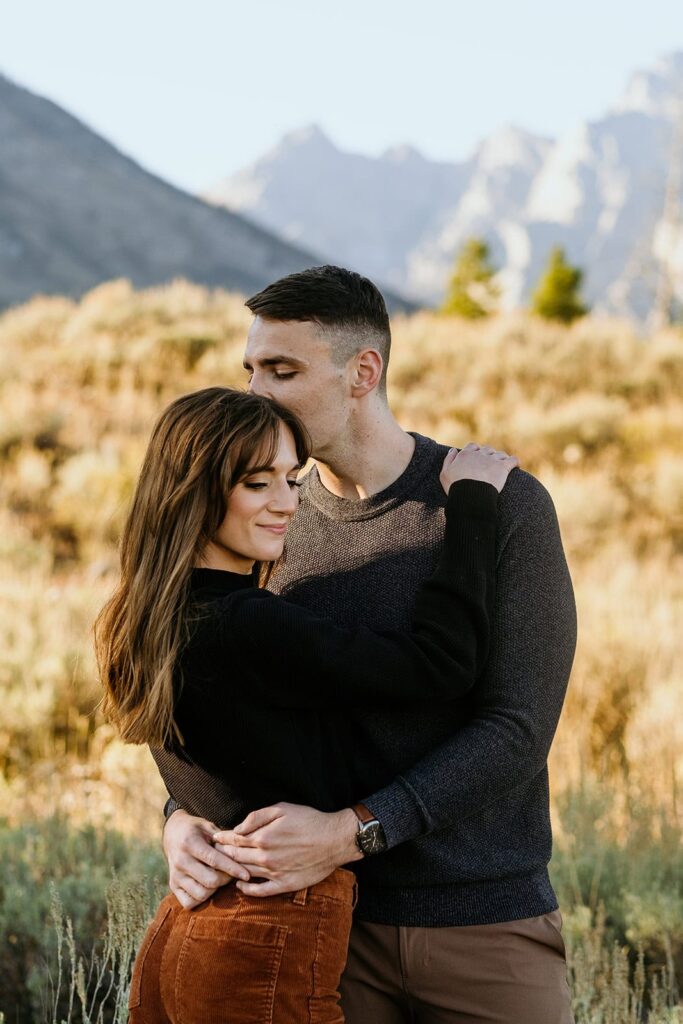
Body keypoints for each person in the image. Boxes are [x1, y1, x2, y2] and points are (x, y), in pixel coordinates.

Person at [159, 266, 578, 1023]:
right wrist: (179, 821)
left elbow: (517, 727)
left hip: (479, 925)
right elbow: (230, 696)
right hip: (317, 927)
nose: (257, 392)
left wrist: (355, 832)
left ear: (363, 372)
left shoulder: (497, 505)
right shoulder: (266, 517)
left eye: (281, 370)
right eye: (249, 369)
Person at [96, 385, 518, 1023]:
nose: (287, 504)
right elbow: (441, 663)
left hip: (186, 930)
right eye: (257, 483)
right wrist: (474, 504)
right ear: (194, 489)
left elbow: (224, 765)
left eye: (292, 481)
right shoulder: (250, 625)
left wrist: (175, 819)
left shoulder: (145, 616)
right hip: (266, 937)